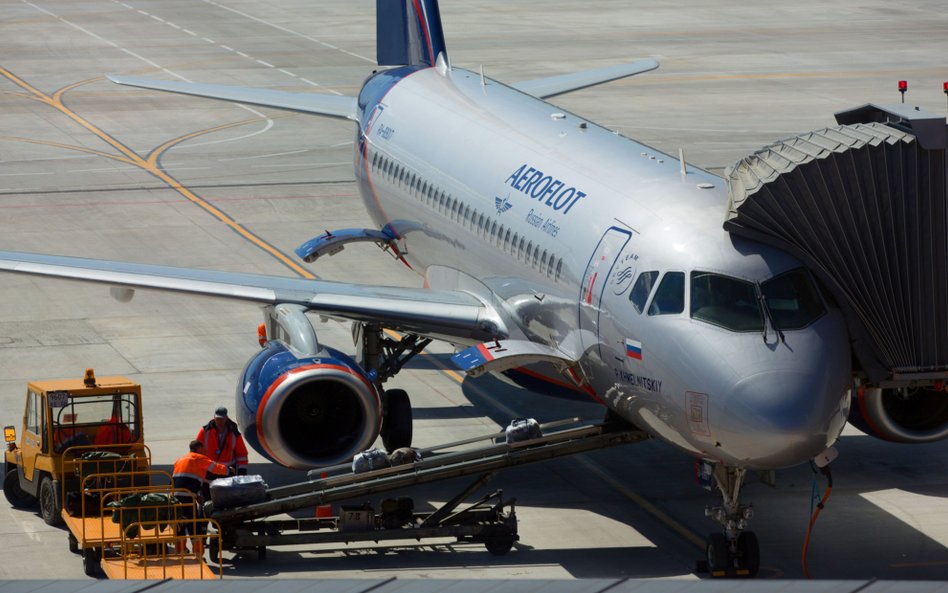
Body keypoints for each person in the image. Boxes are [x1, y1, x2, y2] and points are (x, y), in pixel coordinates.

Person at [171, 440, 230, 556]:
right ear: (198, 449)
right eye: (204, 448)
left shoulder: (180, 460)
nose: (206, 451)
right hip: (187, 497)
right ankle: (198, 554)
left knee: (179, 524)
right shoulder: (198, 458)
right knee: (194, 524)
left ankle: (180, 552)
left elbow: (184, 479)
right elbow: (215, 467)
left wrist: (196, 495)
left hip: (176, 497)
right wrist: (229, 470)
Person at [196, 406, 249, 475]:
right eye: (218, 419)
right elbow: (196, 451)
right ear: (214, 418)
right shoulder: (205, 431)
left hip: (228, 471)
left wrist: (242, 470)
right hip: (209, 470)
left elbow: (242, 454)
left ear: (226, 418)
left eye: (222, 419)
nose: (220, 421)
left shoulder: (234, 433)